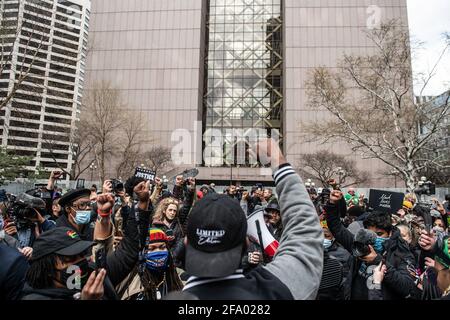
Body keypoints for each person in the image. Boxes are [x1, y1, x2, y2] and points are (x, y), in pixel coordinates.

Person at [180, 138, 324, 300]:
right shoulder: (277, 289)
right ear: (246, 242)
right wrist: (278, 162)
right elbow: (305, 233)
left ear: (186, 243)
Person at [325, 190, 418, 300]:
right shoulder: (359, 244)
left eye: (379, 234)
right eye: (371, 233)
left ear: (390, 233)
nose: (374, 238)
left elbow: (407, 287)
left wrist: (377, 260)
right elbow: (336, 227)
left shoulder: (401, 252)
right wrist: (332, 203)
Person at [115, 228, 183, 300]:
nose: (158, 252)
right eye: (151, 248)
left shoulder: (177, 277)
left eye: (162, 247)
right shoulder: (128, 277)